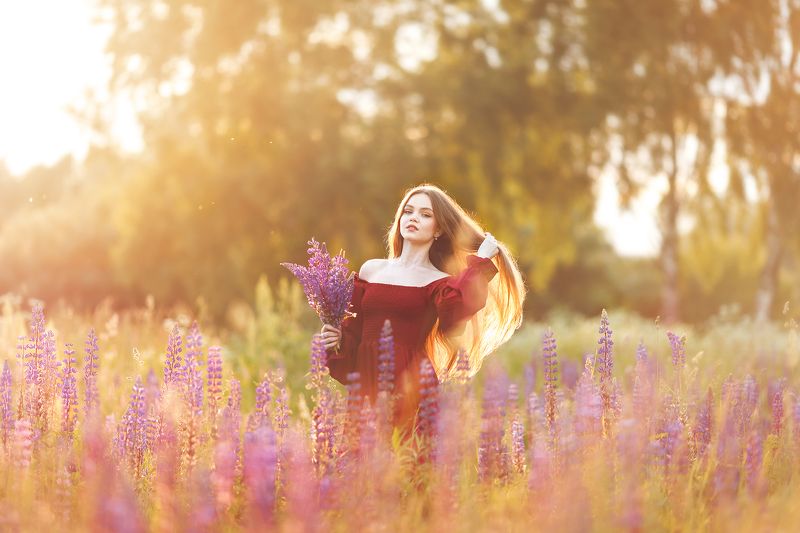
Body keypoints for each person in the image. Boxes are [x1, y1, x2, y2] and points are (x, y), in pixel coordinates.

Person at [320, 184, 526, 431]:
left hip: (413, 391)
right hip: (366, 391)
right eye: (408, 211)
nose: (413, 218)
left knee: (407, 455)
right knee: (360, 454)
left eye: (425, 214)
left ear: (438, 229)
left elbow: (458, 311)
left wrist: (480, 263)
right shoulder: (370, 270)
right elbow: (353, 336)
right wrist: (336, 340)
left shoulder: (439, 283)